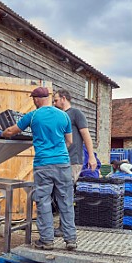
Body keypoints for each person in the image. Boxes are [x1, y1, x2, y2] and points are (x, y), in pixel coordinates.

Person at [0, 86, 77, 250]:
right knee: (66, 201)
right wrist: (58, 154)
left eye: (33, 99)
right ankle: (71, 240)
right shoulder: (64, 116)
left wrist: (0, 133)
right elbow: (70, 141)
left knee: (43, 202)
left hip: (43, 165)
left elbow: (12, 131)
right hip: (62, 164)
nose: (33, 101)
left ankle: (47, 241)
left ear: (37, 99)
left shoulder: (33, 116)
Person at [52, 89, 97, 236]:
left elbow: (86, 135)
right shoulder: (60, 116)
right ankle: (63, 226)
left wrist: (91, 156)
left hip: (73, 160)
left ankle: (65, 228)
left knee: (66, 194)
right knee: (60, 193)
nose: (54, 102)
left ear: (64, 98)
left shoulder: (76, 113)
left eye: (56, 100)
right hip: (60, 160)